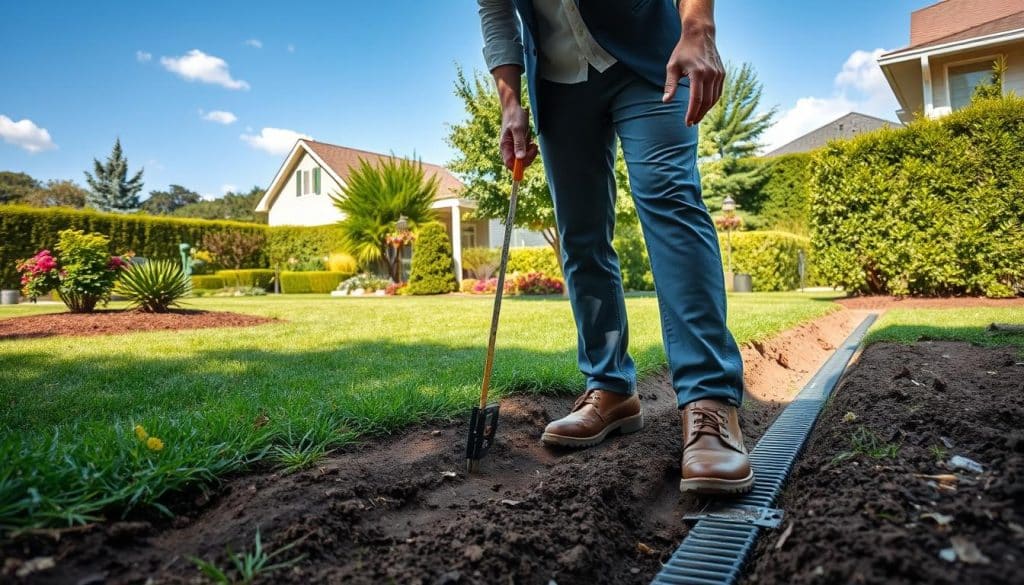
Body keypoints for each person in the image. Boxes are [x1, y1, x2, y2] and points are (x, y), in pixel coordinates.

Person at [476, 0, 752, 494]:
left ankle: (710, 400)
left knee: (670, 203)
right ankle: (610, 388)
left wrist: (698, 27)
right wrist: (510, 102)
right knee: (580, 234)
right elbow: (497, 15)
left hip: (650, 58)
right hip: (559, 83)